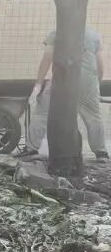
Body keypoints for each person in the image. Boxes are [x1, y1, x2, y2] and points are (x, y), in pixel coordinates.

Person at [20, 27, 108, 161]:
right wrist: (95, 85)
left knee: (42, 112)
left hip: (62, 77)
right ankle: (101, 153)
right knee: (93, 116)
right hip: (88, 80)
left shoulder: (57, 33)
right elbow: (100, 64)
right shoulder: (94, 35)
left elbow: (47, 58)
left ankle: (31, 149)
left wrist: (38, 84)